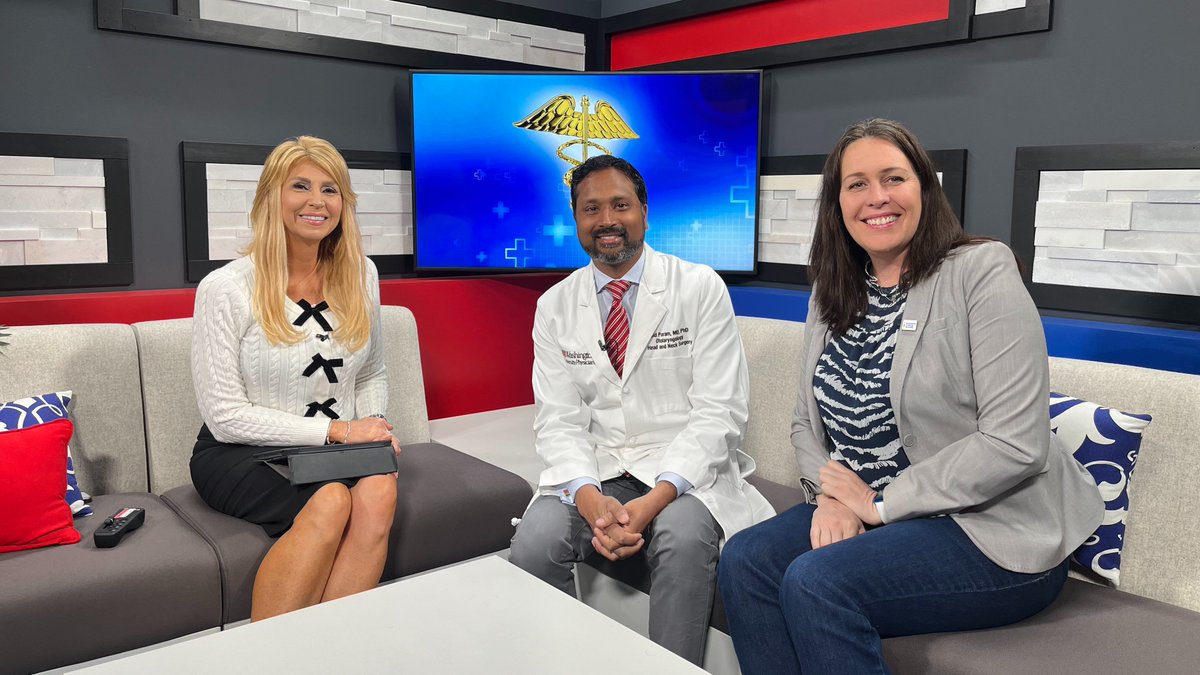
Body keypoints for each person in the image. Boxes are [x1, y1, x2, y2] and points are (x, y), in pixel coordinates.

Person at [717, 119, 1103, 674]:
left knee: (817, 583)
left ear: (924, 187)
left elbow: (1015, 443)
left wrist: (876, 506)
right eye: (857, 184)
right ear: (838, 203)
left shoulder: (981, 270)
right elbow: (806, 423)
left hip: (992, 528)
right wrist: (831, 498)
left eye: (893, 178)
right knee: (746, 560)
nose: (877, 197)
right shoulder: (832, 288)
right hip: (872, 507)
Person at [508, 154, 774, 664]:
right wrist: (587, 498)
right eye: (591, 209)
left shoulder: (698, 287)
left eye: (620, 205)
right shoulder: (554, 305)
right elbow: (558, 420)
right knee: (533, 543)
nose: (607, 220)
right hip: (599, 467)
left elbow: (720, 413)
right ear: (576, 221)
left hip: (685, 471)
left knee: (681, 537)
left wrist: (653, 501)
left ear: (645, 214)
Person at [190, 136, 400, 621]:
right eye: (300, 186)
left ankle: (331, 648)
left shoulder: (361, 274)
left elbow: (372, 371)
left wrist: (373, 426)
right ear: (270, 198)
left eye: (330, 189)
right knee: (329, 501)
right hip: (240, 451)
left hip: (334, 446)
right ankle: (272, 656)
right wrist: (341, 432)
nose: (316, 201)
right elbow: (225, 418)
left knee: (380, 489)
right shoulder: (224, 288)